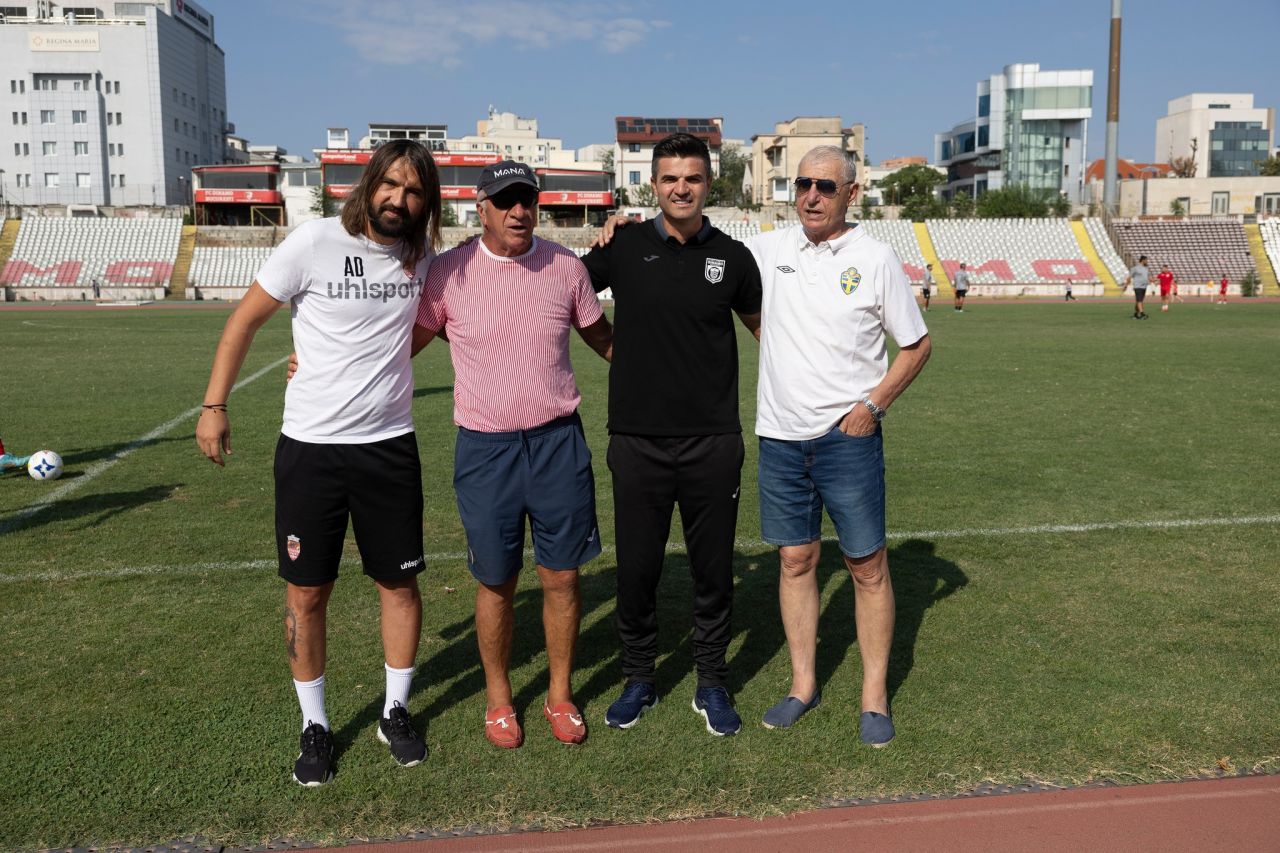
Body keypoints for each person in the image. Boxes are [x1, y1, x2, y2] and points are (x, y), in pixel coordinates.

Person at [196, 140, 443, 787]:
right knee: (307, 591)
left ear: (426, 202)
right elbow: (245, 321)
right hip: (310, 449)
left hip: (390, 448)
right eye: (391, 184)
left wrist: (381, 364)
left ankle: (395, 710)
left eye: (414, 191)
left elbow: (425, 325)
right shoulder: (311, 242)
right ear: (369, 183)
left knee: (399, 585)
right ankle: (316, 724)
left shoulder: (421, 256)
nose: (400, 199)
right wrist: (214, 403)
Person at [414, 161, 613, 750]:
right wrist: (323, 361)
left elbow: (605, 342)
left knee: (562, 578)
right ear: (482, 208)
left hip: (558, 444)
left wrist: (670, 374)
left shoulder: (565, 267)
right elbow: (403, 345)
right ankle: (499, 700)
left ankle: (559, 694)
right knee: (496, 580)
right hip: (487, 450)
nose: (519, 211)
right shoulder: (449, 273)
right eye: (506, 201)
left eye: (527, 199)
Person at [748, 146, 931, 746]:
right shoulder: (768, 249)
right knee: (795, 561)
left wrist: (872, 406)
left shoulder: (876, 260)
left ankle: (873, 696)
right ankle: (804, 686)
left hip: (845, 441)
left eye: (825, 186)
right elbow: (702, 258)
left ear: (851, 193)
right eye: (802, 184)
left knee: (866, 566)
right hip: (779, 438)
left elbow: (916, 346)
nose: (812, 195)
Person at [582, 133, 762, 737]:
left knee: (713, 571)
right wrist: (613, 348)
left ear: (709, 184)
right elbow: (565, 297)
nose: (680, 188)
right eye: (669, 179)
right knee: (638, 569)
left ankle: (711, 679)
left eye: (692, 178)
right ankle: (640, 677)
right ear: (653, 185)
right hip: (637, 440)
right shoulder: (624, 247)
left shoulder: (734, 258)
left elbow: (774, 337)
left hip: (713, 440)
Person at [1124, 255, 1150, 319]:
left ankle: (1135, 314)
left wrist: (1153, 280)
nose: (1147, 261)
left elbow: (1147, 277)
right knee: (1139, 300)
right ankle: (1142, 314)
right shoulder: (1135, 268)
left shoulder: (1146, 268)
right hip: (1137, 286)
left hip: (1144, 287)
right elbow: (1129, 278)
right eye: (1146, 260)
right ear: (1142, 260)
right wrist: (1126, 285)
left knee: (1138, 301)